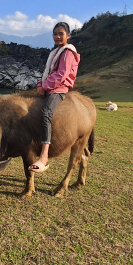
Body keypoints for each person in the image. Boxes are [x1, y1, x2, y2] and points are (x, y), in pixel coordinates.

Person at [30, 22, 80, 173]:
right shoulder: (55, 52)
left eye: (61, 34)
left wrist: (44, 87)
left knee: (46, 113)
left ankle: (44, 157)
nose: (58, 37)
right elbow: (47, 72)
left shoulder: (68, 52)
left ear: (68, 36)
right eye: (55, 34)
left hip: (58, 89)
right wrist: (40, 84)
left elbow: (61, 75)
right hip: (48, 86)